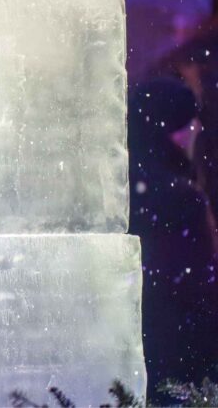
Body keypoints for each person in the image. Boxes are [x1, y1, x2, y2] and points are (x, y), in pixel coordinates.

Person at [128, 79, 218, 401]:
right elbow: (201, 293)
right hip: (181, 362)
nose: (196, 128)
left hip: (136, 356)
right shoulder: (184, 200)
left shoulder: (122, 192)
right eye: (188, 120)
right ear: (171, 130)